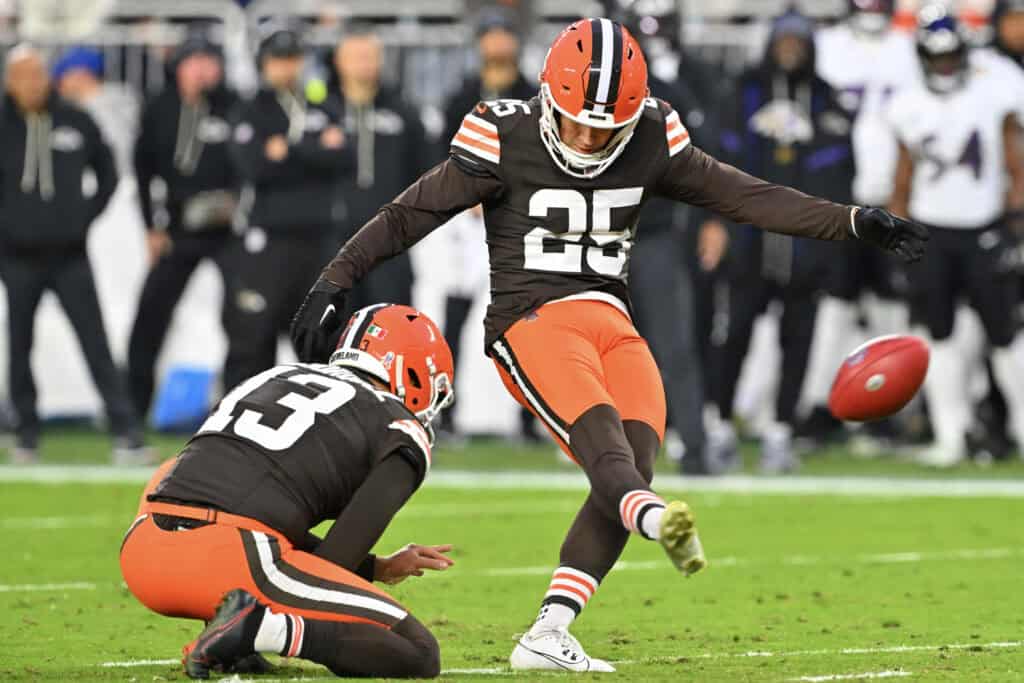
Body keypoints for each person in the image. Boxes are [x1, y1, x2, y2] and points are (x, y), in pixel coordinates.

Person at [291, 18, 926, 670]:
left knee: (637, 456)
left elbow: (748, 198)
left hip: (610, 318)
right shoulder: (502, 131)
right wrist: (335, 277)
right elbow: (407, 215)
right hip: (531, 318)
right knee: (609, 453)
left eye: (607, 126)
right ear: (548, 96)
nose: (591, 136)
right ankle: (655, 520)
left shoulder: (652, 131)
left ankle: (548, 632)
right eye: (577, 120)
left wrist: (852, 221)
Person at [120, 304, 455, 679]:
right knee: (419, 653)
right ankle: (259, 628)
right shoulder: (401, 427)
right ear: (412, 372)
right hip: (232, 557)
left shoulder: (273, 376)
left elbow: (229, 488)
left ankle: (239, 632)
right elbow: (333, 562)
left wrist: (378, 568)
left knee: (254, 518)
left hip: (142, 551)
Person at [711, 9, 856, 473]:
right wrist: (722, 223)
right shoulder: (744, 91)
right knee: (734, 335)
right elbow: (719, 163)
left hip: (805, 244)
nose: (790, 48)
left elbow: (838, 176)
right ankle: (719, 426)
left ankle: (780, 431)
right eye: (783, 40)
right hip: (750, 238)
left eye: (798, 41)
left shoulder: (825, 98)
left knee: (798, 342)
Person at [887, 6, 1024, 466]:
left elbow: (1015, 159)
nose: (944, 66)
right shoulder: (906, 103)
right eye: (936, 58)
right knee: (938, 334)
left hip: (985, 226)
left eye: (951, 58)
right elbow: (902, 175)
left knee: (1005, 334)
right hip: (932, 232)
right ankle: (951, 434)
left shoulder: (994, 88)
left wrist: (1016, 218)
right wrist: (896, 227)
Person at [0, 44, 145, 464]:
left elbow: (108, 172)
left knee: (94, 341)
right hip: (16, 255)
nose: (33, 84)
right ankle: (26, 434)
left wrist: (83, 216)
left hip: (69, 253)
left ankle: (126, 433)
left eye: (39, 75)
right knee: (19, 343)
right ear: (10, 82)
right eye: (24, 76)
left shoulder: (75, 120)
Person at [801, 0, 920, 444]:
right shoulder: (827, 45)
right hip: (837, 199)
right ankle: (819, 404)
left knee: (891, 305)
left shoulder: (908, 48)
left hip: (893, 199)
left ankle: (889, 407)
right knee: (832, 305)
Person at [223, 25, 354, 392]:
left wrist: (288, 151)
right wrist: (316, 150)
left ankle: (324, 426)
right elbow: (254, 166)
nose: (287, 67)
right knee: (253, 336)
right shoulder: (251, 109)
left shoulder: (322, 104)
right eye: (278, 59)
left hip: (320, 238)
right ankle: (240, 422)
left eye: (293, 59)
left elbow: (345, 157)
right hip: (270, 241)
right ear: (263, 64)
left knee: (320, 338)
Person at [127, 31, 240, 418]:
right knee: (150, 314)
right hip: (178, 228)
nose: (203, 71)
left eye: (211, 63)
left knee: (244, 318)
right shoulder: (160, 107)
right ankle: (133, 406)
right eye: (196, 62)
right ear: (180, 66)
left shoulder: (232, 106)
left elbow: (250, 164)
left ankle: (238, 409)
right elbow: (142, 170)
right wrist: (150, 226)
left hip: (230, 232)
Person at [330, 26, 428, 316]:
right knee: (335, 335)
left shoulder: (403, 111)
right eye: (356, 56)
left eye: (369, 56)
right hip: (334, 243)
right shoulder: (322, 111)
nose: (364, 63)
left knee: (392, 325)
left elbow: (427, 170)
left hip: (389, 245)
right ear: (339, 61)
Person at [51, 46, 137, 175]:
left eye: (62, 77)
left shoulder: (114, 104)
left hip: (119, 180)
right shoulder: (122, 99)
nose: (59, 86)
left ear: (81, 74)